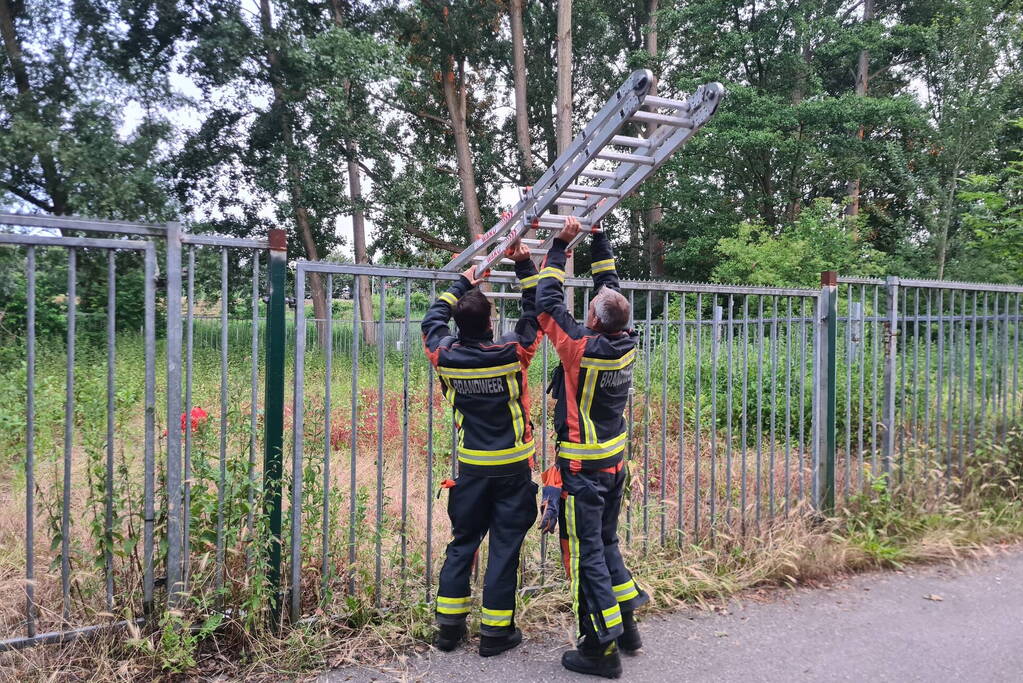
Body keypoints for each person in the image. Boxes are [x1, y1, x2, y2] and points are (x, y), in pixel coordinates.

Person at [535, 216, 649, 679]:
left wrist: (562, 243)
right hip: (613, 464)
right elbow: (611, 286)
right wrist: (598, 236)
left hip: (582, 472)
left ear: (591, 320)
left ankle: (599, 650)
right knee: (606, 542)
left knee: (587, 558)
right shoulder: (625, 340)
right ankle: (627, 628)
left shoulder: (581, 348)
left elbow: (546, 304)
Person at [421, 241, 542, 657]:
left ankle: (449, 631)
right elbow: (535, 312)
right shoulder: (511, 353)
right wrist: (524, 263)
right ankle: (494, 635)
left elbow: (431, 319)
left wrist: (461, 283)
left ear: (458, 326)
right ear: (491, 322)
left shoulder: (445, 355)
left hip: (470, 468)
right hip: (512, 469)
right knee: (505, 548)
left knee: (463, 542)